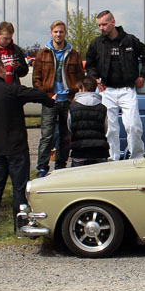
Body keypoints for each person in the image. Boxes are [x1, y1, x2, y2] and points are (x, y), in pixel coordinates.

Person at [0, 57, 54, 238]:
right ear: (1, 69)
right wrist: (50, 101)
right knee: (19, 189)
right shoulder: (10, 90)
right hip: (16, 146)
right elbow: (35, 94)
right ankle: (20, 228)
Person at [84, 9, 145, 160]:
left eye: (104, 24)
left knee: (133, 126)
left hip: (128, 90)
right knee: (110, 129)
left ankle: (136, 158)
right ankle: (112, 159)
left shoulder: (130, 40)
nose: (101, 28)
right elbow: (89, 65)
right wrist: (95, 79)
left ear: (113, 22)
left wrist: (143, 77)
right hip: (107, 90)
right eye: (99, 25)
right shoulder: (97, 44)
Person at [32, 20, 86, 177]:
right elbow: (36, 79)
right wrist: (46, 95)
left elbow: (80, 78)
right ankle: (42, 167)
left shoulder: (74, 54)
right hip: (50, 99)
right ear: (51, 33)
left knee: (64, 136)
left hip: (68, 100)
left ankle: (61, 167)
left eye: (61, 31)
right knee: (47, 135)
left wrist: (75, 95)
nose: (58, 34)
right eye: (55, 31)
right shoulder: (43, 54)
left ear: (65, 33)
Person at [68, 77, 109, 167]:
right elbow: (105, 129)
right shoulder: (103, 108)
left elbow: (70, 127)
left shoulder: (73, 107)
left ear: (82, 88)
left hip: (79, 151)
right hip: (100, 151)